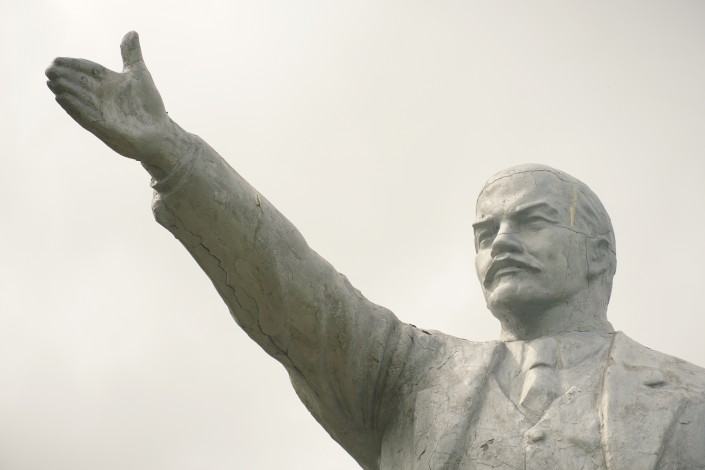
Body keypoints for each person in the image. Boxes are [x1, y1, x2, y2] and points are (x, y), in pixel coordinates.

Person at [46, 31, 705, 470]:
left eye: (530, 222)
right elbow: (296, 294)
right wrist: (173, 153)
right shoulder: (412, 377)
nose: (501, 240)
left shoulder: (687, 398)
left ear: (597, 254)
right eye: (485, 233)